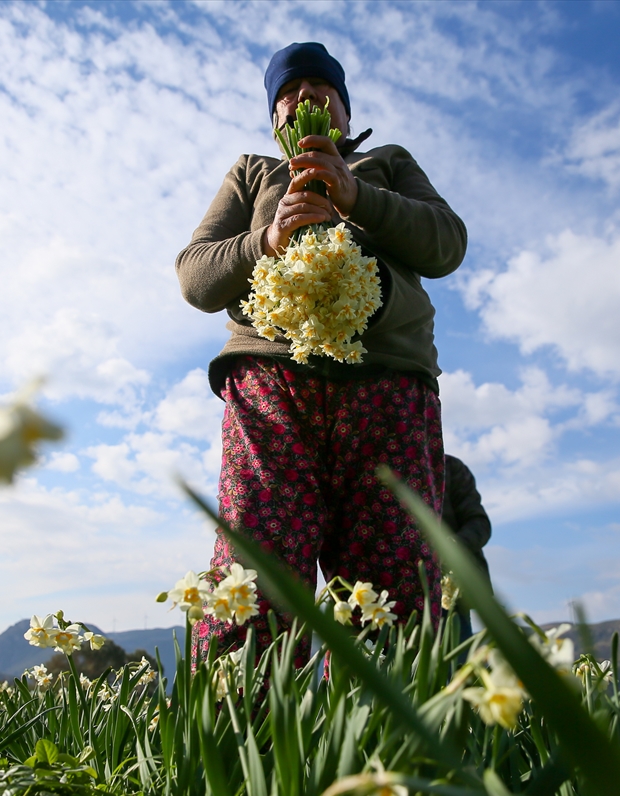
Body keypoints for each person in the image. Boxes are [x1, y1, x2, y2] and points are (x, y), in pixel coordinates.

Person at [176, 42, 467, 664]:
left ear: (343, 107)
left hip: (386, 383)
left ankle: (390, 749)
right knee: (254, 567)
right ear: (274, 117)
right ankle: (239, 743)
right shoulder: (253, 173)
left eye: (319, 89)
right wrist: (268, 237)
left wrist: (356, 195)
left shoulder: (386, 162)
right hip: (271, 385)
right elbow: (195, 278)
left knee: (394, 578)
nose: (303, 98)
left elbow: (447, 244)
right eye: (288, 93)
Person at [440, 454, 493, 640]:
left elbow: (479, 524)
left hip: (450, 592)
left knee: (456, 665)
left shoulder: (449, 466)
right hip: (397, 592)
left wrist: (451, 547)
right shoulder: (384, 465)